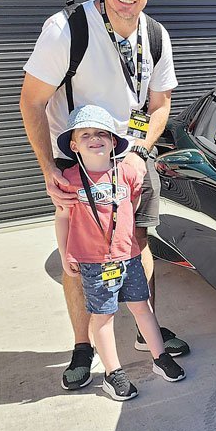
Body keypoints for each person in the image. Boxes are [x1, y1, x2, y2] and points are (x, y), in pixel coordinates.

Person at [19, 0, 189, 391]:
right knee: (79, 254)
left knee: (138, 245)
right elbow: (31, 103)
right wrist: (49, 170)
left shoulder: (155, 34)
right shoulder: (66, 28)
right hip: (79, 163)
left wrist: (141, 150)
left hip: (130, 161)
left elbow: (160, 103)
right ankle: (82, 345)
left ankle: (142, 334)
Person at [55, 105, 185, 400]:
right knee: (103, 316)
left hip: (129, 257)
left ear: (114, 141)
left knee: (143, 307)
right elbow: (62, 218)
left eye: (102, 133)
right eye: (85, 134)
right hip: (93, 263)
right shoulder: (70, 180)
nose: (94, 138)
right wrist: (65, 254)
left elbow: (132, 205)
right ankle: (113, 374)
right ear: (74, 145)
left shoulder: (126, 172)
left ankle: (160, 358)